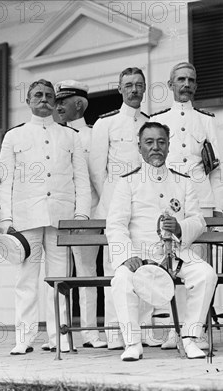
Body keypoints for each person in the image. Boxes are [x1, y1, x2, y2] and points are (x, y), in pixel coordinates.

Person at [0, 79, 91, 355]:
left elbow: (81, 180)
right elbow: (4, 180)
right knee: (26, 279)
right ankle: (23, 339)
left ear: (55, 101)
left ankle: (58, 337)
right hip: (27, 217)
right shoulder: (15, 136)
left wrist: (81, 214)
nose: (44, 99)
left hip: (61, 218)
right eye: (38, 95)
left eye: (49, 95)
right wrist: (6, 220)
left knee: (59, 280)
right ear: (28, 100)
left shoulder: (70, 136)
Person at [107, 121, 218, 361]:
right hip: (141, 254)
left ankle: (189, 338)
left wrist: (180, 227)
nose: (155, 147)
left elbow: (198, 221)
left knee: (206, 274)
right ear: (140, 147)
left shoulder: (183, 180)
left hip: (176, 254)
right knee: (121, 279)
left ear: (168, 147)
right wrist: (127, 256)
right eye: (149, 142)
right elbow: (115, 224)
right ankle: (133, 342)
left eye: (161, 142)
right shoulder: (127, 182)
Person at [150, 62, 223, 349]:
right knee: (172, 263)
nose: (186, 84)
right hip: (171, 201)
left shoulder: (206, 120)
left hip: (200, 202)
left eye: (191, 80)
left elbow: (216, 166)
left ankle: (198, 330)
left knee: (198, 266)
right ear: (170, 84)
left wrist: (217, 204)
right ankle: (175, 329)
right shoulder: (160, 119)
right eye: (180, 79)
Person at [89, 67, 156, 350]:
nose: (134, 90)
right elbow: (96, 168)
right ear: (119, 89)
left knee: (147, 266)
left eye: (139, 85)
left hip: (145, 206)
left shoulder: (151, 123)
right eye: (128, 85)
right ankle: (116, 332)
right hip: (115, 206)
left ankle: (147, 331)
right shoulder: (106, 124)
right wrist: (113, 202)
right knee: (117, 269)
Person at [54, 80, 107, 349]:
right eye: (57, 101)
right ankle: (57, 335)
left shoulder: (93, 135)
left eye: (63, 101)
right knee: (56, 274)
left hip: (88, 216)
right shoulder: (53, 135)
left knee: (87, 274)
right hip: (58, 217)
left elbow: (99, 179)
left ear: (79, 104)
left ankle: (90, 332)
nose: (58, 105)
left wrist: (96, 216)